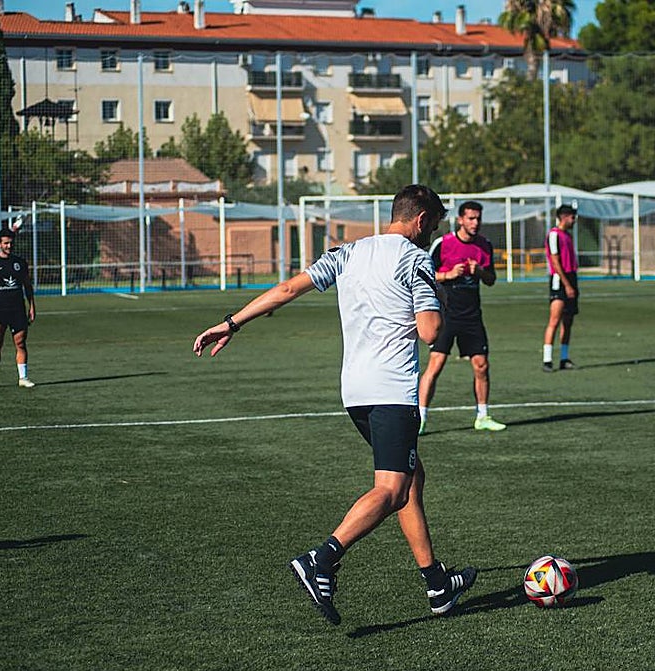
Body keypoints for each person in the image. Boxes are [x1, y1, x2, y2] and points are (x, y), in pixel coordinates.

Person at [192, 184, 477, 626]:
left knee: (412, 476)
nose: (435, 231)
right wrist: (436, 298)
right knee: (392, 489)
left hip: (354, 393)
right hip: (392, 392)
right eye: (435, 223)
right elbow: (428, 330)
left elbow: (288, 289)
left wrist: (232, 323)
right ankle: (321, 559)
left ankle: (437, 583)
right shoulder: (415, 259)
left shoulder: (348, 252)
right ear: (421, 220)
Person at [418, 200, 506, 433]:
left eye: (478, 218)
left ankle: (483, 416)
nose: (475, 223)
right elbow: (425, 275)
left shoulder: (484, 245)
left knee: (481, 365)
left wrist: (481, 272)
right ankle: (420, 418)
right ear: (460, 220)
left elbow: (491, 280)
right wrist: (448, 275)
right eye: (471, 218)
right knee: (435, 365)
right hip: (446, 315)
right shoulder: (443, 243)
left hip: (472, 316)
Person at [0, 227, 36, 388]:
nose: (9, 246)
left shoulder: (20, 263)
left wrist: (32, 306)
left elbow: (27, 286)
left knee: (21, 343)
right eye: (5, 243)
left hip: (18, 309)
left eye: (11, 243)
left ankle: (23, 378)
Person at [542, 204, 579, 372]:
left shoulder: (567, 236)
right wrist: (566, 284)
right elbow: (555, 261)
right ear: (564, 217)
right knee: (554, 320)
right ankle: (547, 359)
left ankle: (564, 358)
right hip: (560, 279)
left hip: (572, 277)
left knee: (568, 321)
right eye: (572, 217)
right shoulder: (554, 235)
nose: (574, 221)